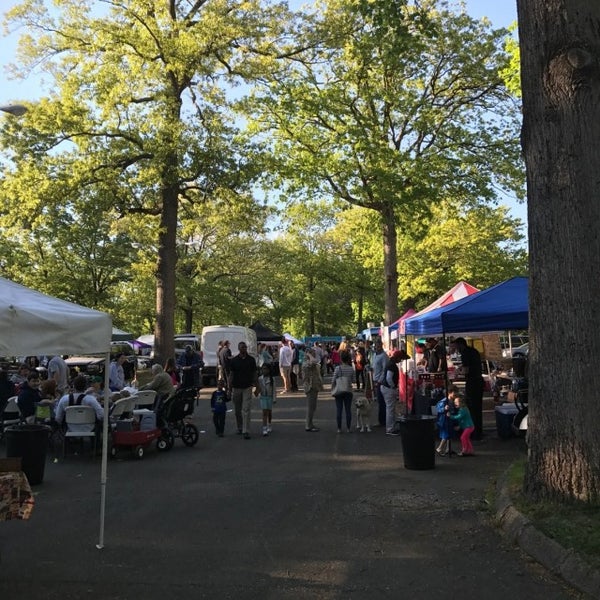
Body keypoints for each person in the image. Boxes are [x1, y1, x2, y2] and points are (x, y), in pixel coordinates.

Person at [452, 337, 484, 440]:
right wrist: (461, 367)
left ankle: (474, 433)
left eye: (456, 347)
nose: (456, 349)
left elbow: (466, 370)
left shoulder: (465, 353)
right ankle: (478, 431)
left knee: (472, 407)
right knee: (477, 407)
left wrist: (458, 373)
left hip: (473, 382)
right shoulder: (473, 350)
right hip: (479, 380)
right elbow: (471, 364)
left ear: (461, 345)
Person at [229, 341, 259, 439]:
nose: (244, 349)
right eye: (242, 347)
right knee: (237, 410)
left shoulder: (251, 360)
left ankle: (246, 430)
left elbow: (254, 374)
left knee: (246, 409)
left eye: (245, 347)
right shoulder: (234, 361)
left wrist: (257, 387)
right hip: (236, 387)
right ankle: (240, 427)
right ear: (239, 349)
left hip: (247, 387)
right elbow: (231, 375)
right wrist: (229, 389)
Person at [380, 350, 408, 436]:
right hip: (388, 388)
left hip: (385, 387)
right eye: (401, 359)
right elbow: (389, 378)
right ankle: (390, 429)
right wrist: (393, 387)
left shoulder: (390, 363)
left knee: (390, 409)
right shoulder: (392, 365)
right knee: (390, 409)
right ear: (398, 358)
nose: (401, 360)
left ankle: (391, 427)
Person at [331, 350, 355, 433]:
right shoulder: (351, 369)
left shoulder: (338, 368)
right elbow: (353, 380)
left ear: (341, 359)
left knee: (339, 409)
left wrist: (332, 388)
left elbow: (333, 380)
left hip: (339, 390)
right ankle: (348, 428)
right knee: (348, 410)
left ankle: (339, 428)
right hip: (348, 390)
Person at [302, 347, 323, 432]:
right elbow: (314, 361)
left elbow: (316, 362)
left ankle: (310, 423)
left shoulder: (309, 362)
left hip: (314, 386)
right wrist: (309, 354)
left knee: (313, 406)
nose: (314, 355)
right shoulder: (306, 363)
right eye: (313, 353)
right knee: (310, 406)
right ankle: (308, 425)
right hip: (310, 387)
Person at [436, 385, 459, 456]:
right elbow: (438, 409)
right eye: (454, 392)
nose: (456, 394)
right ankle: (439, 448)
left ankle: (448, 449)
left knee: (450, 434)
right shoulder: (444, 401)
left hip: (450, 420)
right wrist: (444, 409)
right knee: (446, 435)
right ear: (450, 393)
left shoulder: (453, 401)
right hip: (444, 421)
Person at [371, 340, 387, 427]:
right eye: (376, 346)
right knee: (379, 401)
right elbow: (374, 366)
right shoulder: (375, 355)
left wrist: (379, 381)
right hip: (375, 380)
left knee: (381, 402)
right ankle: (381, 420)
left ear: (381, 346)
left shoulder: (384, 356)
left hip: (380, 382)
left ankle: (382, 421)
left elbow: (384, 370)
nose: (377, 348)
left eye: (379, 346)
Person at [257, 364, 275, 436]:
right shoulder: (260, 379)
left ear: (269, 370)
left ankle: (269, 424)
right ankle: (264, 428)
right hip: (263, 397)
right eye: (263, 369)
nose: (264, 370)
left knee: (269, 412)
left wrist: (274, 398)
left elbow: (274, 390)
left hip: (269, 397)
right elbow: (258, 387)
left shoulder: (272, 379)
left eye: (266, 369)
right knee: (264, 412)